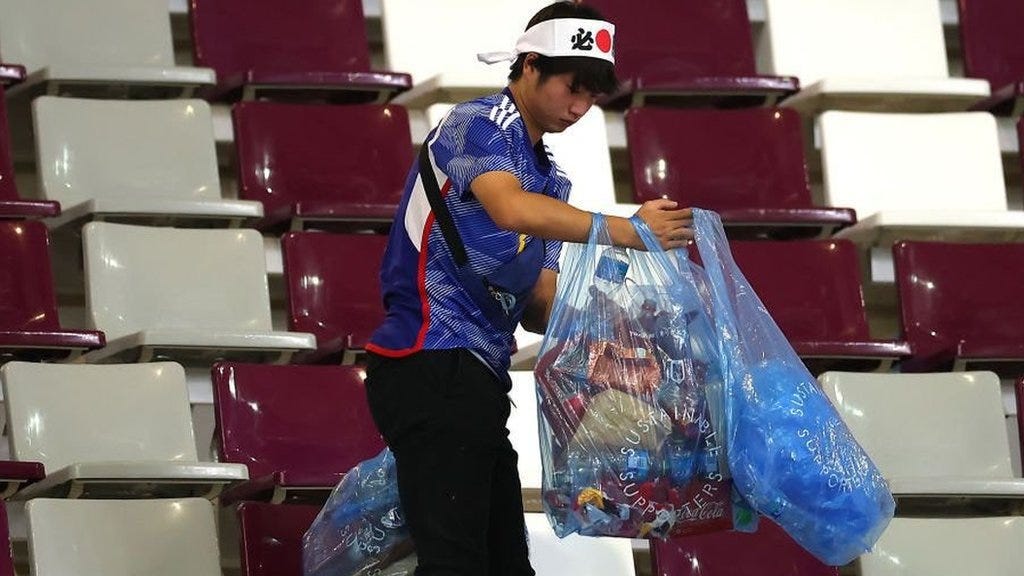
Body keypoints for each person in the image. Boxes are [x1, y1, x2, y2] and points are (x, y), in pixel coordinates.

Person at [364, 2, 692, 574]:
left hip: (478, 378)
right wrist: (629, 231)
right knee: (455, 566)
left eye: (592, 96)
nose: (580, 108)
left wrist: (626, 333)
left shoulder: (551, 181)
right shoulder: (477, 123)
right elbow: (510, 209)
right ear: (531, 65)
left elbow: (540, 304)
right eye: (573, 88)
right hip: (430, 357)